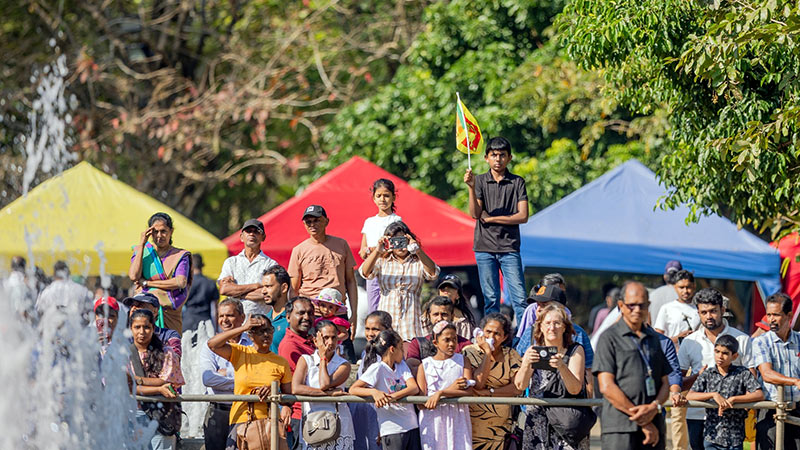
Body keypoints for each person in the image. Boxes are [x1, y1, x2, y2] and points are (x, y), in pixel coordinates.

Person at [593, 281, 670, 449]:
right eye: (631, 305)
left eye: (641, 305)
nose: (636, 309)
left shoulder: (655, 339)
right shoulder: (608, 338)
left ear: (648, 305)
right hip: (620, 428)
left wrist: (653, 407)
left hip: (654, 425)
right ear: (621, 305)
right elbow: (606, 386)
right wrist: (642, 419)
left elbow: (665, 383)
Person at [678, 288, 754, 450]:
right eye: (703, 312)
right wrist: (697, 377)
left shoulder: (742, 339)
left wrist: (734, 400)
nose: (708, 316)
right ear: (698, 313)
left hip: (731, 417)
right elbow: (678, 382)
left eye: (713, 311)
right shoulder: (690, 342)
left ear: (723, 310)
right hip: (698, 415)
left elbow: (752, 381)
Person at [464, 136, 529, 324]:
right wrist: (471, 187)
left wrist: (492, 219)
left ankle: (524, 339)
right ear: (486, 158)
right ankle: (491, 338)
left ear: (509, 158)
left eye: (502, 155)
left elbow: (523, 216)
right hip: (485, 247)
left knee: (519, 298)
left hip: (509, 248)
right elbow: (475, 213)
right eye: (494, 155)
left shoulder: (517, 182)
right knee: (490, 299)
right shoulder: (481, 181)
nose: (498, 159)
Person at [207, 314, 293, 449]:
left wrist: (274, 392)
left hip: (269, 423)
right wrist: (243, 327)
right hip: (241, 421)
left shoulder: (281, 362)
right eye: (260, 331)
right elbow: (212, 344)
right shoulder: (240, 352)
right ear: (251, 335)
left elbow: (289, 398)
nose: (266, 335)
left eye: (269, 330)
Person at [514, 304, 589, 450]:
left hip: (566, 424)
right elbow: (519, 386)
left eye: (557, 323)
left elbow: (575, 389)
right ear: (540, 327)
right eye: (547, 323)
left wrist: (562, 366)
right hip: (537, 423)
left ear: (565, 327)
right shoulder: (533, 351)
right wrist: (526, 363)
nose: (552, 328)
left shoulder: (575, 350)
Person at [289, 205, 359, 352]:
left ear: (326, 221)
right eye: (308, 222)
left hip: (338, 312)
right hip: (311, 314)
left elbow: (351, 281)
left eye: (317, 220)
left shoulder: (341, 244)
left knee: (346, 359)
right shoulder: (298, 250)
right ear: (304, 225)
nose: (312, 225)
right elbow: (294, 288)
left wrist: (354, 313)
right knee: (311, 357)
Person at [360, 221, 440, 341]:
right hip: (386, 320)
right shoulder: (382, 261)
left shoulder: (418, 262)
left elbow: (433, 273)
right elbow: (364, 272)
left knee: (411, 356)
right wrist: (377, 251)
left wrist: (417, 250)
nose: (400, 246)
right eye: (395, 242)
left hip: (411, 323)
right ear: (389, 243)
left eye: (402, 241)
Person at [686, 335, 764, 450]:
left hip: (735, 437)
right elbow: (690, 395)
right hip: (712, 436)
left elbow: (759, 394)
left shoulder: (742, 373)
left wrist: (734, 399)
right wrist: (713, 395)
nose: (720, 356)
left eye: (725, 353)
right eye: (717, 351)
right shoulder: (708, 374)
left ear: (735, 356)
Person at [349, 330, 421, 450]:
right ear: (392, 349)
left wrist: (393, 396)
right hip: (392, 429)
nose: (403, 353)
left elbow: (413, 388)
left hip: (411, 426)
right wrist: (374, 392)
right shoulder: (377, 368)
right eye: (401, 349)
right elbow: (353, 389)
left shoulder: (401, 366)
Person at [292, 320, 355, 450]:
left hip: (338, 424)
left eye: (333, 338)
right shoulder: (306, 360)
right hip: (313, 423)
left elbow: (324, 384)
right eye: (326, 338)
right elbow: (296, 388)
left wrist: (323, 358)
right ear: (316, 340)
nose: (330, 342)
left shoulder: (344, 365)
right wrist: (329, 394)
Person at [463, 313, 522, 449]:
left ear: (505, 337)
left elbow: (516, 388)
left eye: (497, 334)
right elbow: (478, 383)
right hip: (474, 425)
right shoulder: (470, 352)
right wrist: (488, 354)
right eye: (488, 332)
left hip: (500, 428)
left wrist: (490, 392)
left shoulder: (511, 355)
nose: (491, 337)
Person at [128, 309, 185, 450]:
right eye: (137, 327)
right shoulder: (123, 354)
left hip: (162, 414)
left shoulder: (166, 353)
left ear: (153, 328)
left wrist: (137, 380)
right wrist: (158, 388)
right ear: (131, 329)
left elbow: (168, 381)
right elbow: (127, 387)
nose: (142, 332)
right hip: (132, 414)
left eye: (146, 327)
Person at [198, 298, 251, 450]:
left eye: (230, 315)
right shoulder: (209, 345)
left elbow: (257, 378)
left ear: (242, 318)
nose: (224, 320)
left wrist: (225, 373)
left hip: (244, 409)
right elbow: (208, 379)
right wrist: (243, 379)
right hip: (217, 410)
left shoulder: (253, 344)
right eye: (221, 316)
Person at [128, 212, 193, 334]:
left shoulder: (179, 256)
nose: (159, 235)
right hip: (145, 313)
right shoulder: (142, 252)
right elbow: (133, 276)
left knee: (170, 349)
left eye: (163, 231)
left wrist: (147, 283)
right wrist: (142, 244)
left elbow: (180, 282)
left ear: (171, 231)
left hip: (170, 313)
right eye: (155, 232)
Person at [514, 285, 594, 383]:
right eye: (537, 304)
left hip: (568, 395)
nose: (538, 309)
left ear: (559, 308)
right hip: (535, 396)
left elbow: (588, 370)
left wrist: (589, 397)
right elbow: (516, 366)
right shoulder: (529, 333)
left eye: (544, 305)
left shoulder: (578, 334)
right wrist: (526, 362)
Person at [752, 292, 800, 450]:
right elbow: (767, 374)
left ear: (789, 315)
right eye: (768, 314)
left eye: (776, 315)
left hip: (797, 409)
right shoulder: (761, 342)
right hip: (770, 409)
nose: (771, 319)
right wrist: (794, 381)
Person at [416, 321, 473, 450]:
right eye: (447, 340)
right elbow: (420, 403)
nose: (452, 344)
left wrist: (441, 393)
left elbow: (469, 392)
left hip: (458, 417)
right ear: (435, 343)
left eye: (454, 339)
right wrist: (449, 390)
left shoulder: (463, 361)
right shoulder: (424, 366)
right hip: (433, 420)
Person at [359, 178, 403, 313]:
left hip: (390, 271)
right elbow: (362, 251)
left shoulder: (396, 220)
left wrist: (378, 251)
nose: (382, 199)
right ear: (373, 198)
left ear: (393, 197)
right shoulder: (369, 222)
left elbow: (398, 248)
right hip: (372, 271)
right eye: (379, 196)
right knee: (374, 309)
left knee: (390, 308)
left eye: (386, 195)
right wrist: (368, 252)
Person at [278, 297, 316, 449]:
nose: (306, 317)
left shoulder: (310, 340)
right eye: (301, 313)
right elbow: (290, 385)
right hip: (298, 414)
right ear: (288, 317)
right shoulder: (290, 346)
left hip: (312, 412)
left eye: (310, 313)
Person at [218, 219, 278, 316]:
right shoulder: (231, 262)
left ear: (263, 237)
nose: (252, 234)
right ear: (241, 237)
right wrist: (255, 286)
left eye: (256, 231)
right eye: (248, 231)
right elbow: (224, 289)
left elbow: (270, 293)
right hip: (235, 323)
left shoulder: (270, 264)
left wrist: (236, 292)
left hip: (260, 322)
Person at [351, 310, 393, 450]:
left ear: (387, 330)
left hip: (380, 409)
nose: (370, 333)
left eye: (375, 329)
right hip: (361, 409)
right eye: (367, 329)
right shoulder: (366, 352)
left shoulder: (390, 355)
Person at [406, 297, 472, 375]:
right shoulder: (417, 344)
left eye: (444, 314)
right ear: (429, 316)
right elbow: (412, 369)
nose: (440, 318)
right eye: (436, 314)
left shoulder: (465, 345)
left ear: (452, 316)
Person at [123, 293, 183, 357]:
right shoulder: (123, 336)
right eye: (132, 305)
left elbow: (174, 359)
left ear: (155, 311)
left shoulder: (169, 335)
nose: (134, 309)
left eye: (140, 305)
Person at [654, 269, 700, 347]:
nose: (685, 291)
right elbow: (658, 339)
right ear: (675, 287)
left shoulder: (701, 309)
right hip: (674, 355)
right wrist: (677, 338)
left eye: (688, 287)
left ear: (694, 286)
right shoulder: (667, 308)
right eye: (681, 287)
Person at [431, 274, 476, 340]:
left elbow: (465, 344)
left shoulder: (463, 321)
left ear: (458, 295)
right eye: (443, 288)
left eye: (450, 287)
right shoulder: (428, 314)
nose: (446, 290)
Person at [183, 253, 220, 333]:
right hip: (205, 320)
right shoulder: (210, 282)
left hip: (188, 319)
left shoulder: (187, 283)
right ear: (202, 265)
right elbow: (216, 308)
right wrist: (216, 328)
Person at [260, 265, 292, 353]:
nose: (263, 291)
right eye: (263, 287)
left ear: (284, 288)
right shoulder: (265, 320)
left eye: (269, 286)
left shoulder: (294, 319)